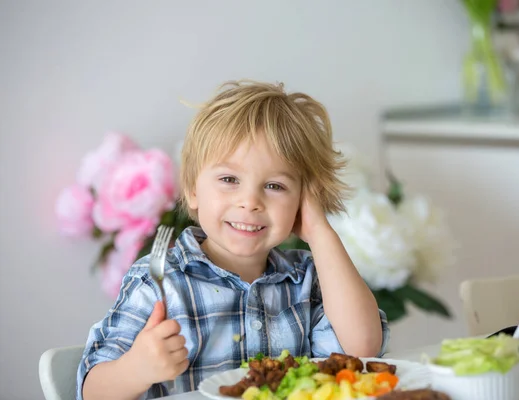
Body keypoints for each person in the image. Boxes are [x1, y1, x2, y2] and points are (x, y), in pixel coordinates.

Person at [77, 80, 389, 400]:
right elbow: (92, 392)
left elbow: (363, 350)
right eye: (229, 179)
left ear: (302, 200)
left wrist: (320, 232)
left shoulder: (306, 279)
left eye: (275, 186)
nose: (250, 201)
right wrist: (136, 369)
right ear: (193, 190)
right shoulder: (159, 280)